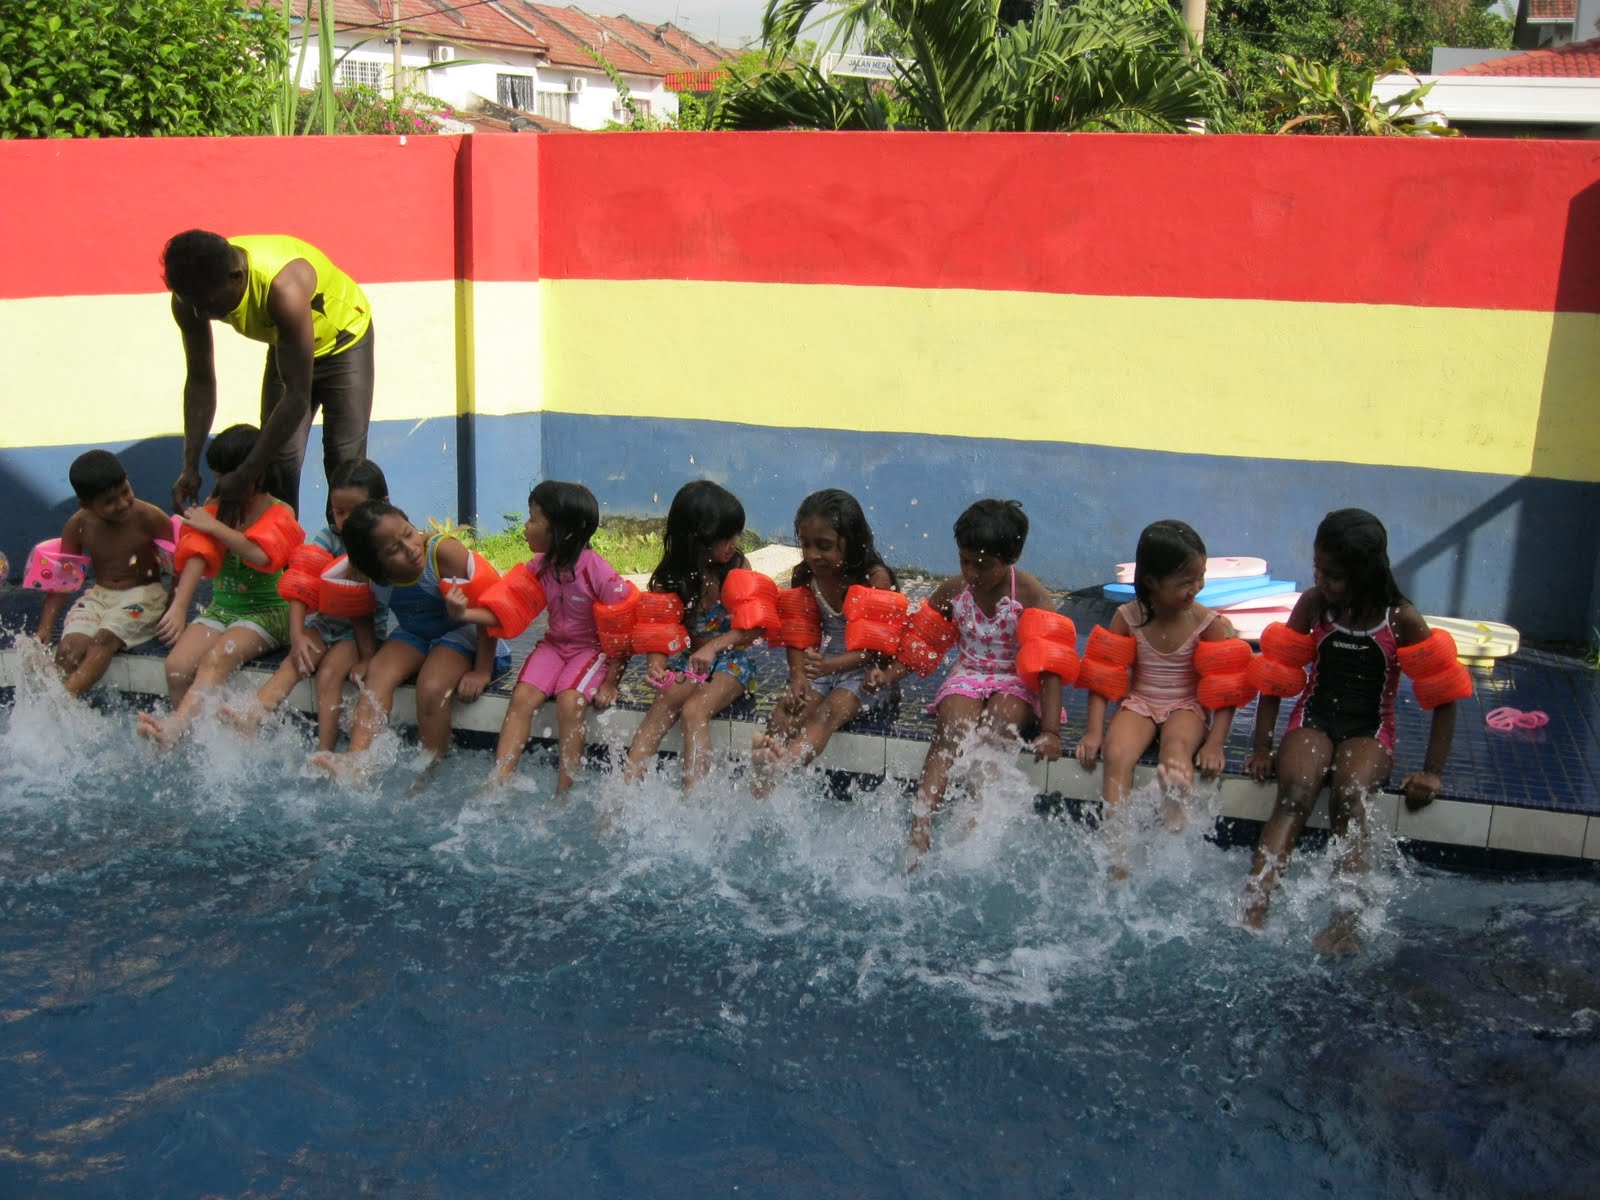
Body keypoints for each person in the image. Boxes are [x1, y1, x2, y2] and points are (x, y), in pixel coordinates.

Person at [1242, 508, 1459, 954]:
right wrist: (1262, 746)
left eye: (1334, 574)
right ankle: (1253, 908)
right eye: (1318, 569)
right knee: (1296, 791)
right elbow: (1277, 676)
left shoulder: (1401, 619)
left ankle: (1344, 923)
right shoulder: (1313, 605)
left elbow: (1443, 694)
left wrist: (1432, 771)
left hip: (1369, 729)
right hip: (1315, 718)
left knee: (1350, 795)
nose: (1322, 580)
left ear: (1365, 573)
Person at [874, 499, 1063, 857]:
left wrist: (1052, 731)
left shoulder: (1030, 595)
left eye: (984, 565)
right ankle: (921, 822)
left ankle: (978, 815)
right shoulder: (954, 590)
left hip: (1015, 679)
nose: (972, 573)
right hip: (969, 674)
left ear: (1011, 558)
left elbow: (1051, 666)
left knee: (999, 724)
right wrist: (888, 675)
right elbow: (923, 643)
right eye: (965, 561)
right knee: (953, 726)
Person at [161, 230, 374, 525]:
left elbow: (297, 398)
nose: (200, 314)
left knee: (344, 461)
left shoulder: (282, 290)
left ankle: (350, 554)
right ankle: (281, 559)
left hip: (344, 342)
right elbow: (200, 380)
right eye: (193, 304)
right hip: (287, 346)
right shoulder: (192, 296)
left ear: (236, 277)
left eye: (208, 304)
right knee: (278, 462)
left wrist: (245, 476)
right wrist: (190, 467)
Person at [445, 480, 630, 794]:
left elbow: (622, 631)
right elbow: (507, 611)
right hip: (555, 646)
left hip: (590, 650)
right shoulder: (541, 568)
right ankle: (499, 781)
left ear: (560, 530)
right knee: (522, 697)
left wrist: (612, 680)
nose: (526, 527)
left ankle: (564, 789)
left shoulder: (597, 572)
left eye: (533, 520)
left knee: (570, 702)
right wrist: (464, 615)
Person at [1074, 520, 1240, 867]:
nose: (1197, 587)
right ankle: (1117, 846)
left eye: (1200, 577)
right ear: (1151, 581)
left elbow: (1226, 689)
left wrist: (1215, 743)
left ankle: (1175, 801)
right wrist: (1093, 731)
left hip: (1186, 704)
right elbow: (1104, 677)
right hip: (1140, 701)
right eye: (1185, 582)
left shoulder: (1208, 625)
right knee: (1117, 754)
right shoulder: (1127, 618)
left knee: (1177, 747)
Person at [310, 501, 508, 783]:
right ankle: (356, 761)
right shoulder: (365, 573)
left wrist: (483, 670)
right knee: (376, 675)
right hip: (414, 631)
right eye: (393, 550)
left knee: (431, 686)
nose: (410, 548)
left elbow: (487, 609)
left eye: (408, 533)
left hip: (462, 630)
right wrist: (367, 656)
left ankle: (430, 771)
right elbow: (361, 610)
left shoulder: (443, 554)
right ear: (375, 564)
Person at [137, 425, 305, 748]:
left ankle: (174, 727)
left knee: (217, 657)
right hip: (223, 610)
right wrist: (179, 607)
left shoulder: (280, 511)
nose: (219, 485)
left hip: (268, 612)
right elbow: (199, 553)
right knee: (176, 667)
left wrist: (214, 526)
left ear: (253, 473)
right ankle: (188, 741)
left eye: (223, 477)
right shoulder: (220, 506)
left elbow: (261, 554)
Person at [221, 459, 390, 751]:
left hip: (360, 633)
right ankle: (252, 717)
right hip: (325, 623)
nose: (346, 520)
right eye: (339, 512)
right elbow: (301, 581)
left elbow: (367, 608)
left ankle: (325, 749)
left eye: (355, 511)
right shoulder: (330, 538)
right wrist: (298, 636)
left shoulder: (385, 542)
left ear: (382, 505)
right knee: (296, 661)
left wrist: (367, 657)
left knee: (328, 674)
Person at [749, 488, 898, 797]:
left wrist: (829, 666)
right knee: (786, 712)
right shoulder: (805, 576)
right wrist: (798, 676)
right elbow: (798, 633)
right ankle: (762, 776)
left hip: (865, 672)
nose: (814, 554)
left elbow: (877, 649)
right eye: (806, 544)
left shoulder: (874, 579)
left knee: (826, 713)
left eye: (825, 546)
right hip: (820, 668)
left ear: (852, 542)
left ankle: (782, 769)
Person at [624, 481, 759, 792]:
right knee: (660, 709)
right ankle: (624, 795)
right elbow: (659, 629)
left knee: (694, 710)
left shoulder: (738, 567)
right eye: (725, 537)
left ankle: (694, 802)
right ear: (697, 539)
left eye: (736, 534)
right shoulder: (672, 578)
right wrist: (656, 665)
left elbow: (754, 627)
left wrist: (713, 647)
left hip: (732, 660)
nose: (733, 543)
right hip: (692, 662)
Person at [34, 450, 173, 697]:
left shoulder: (150, 518)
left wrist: (175, 611)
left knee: (103, 640)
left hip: (144, 597)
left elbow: (180, 567)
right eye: (109, 501)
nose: (121, 504)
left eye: (125, 491)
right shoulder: (78, 526)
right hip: (100, 597)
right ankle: (55, 706)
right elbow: (63, 581)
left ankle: (61, 703)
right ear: (86, 505)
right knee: (68, 648)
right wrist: (46, 627)